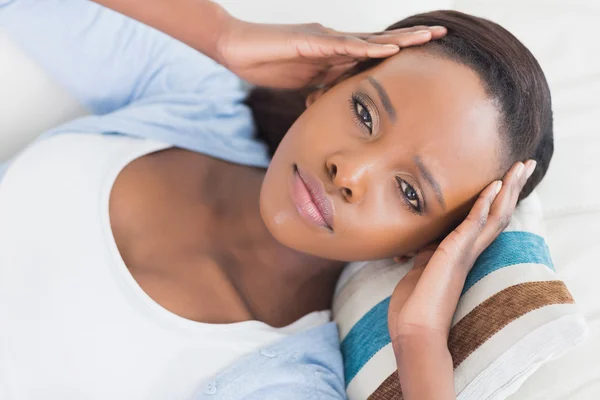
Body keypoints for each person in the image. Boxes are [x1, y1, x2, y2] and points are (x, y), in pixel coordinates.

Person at [0, 0, 553, 399]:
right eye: (364, 112)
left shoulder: (281, 380)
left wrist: (418, 343)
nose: (350, 172)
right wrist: (222, 34)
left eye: (409, 192)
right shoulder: (196, 101)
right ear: (326, 86)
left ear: (426, 247)